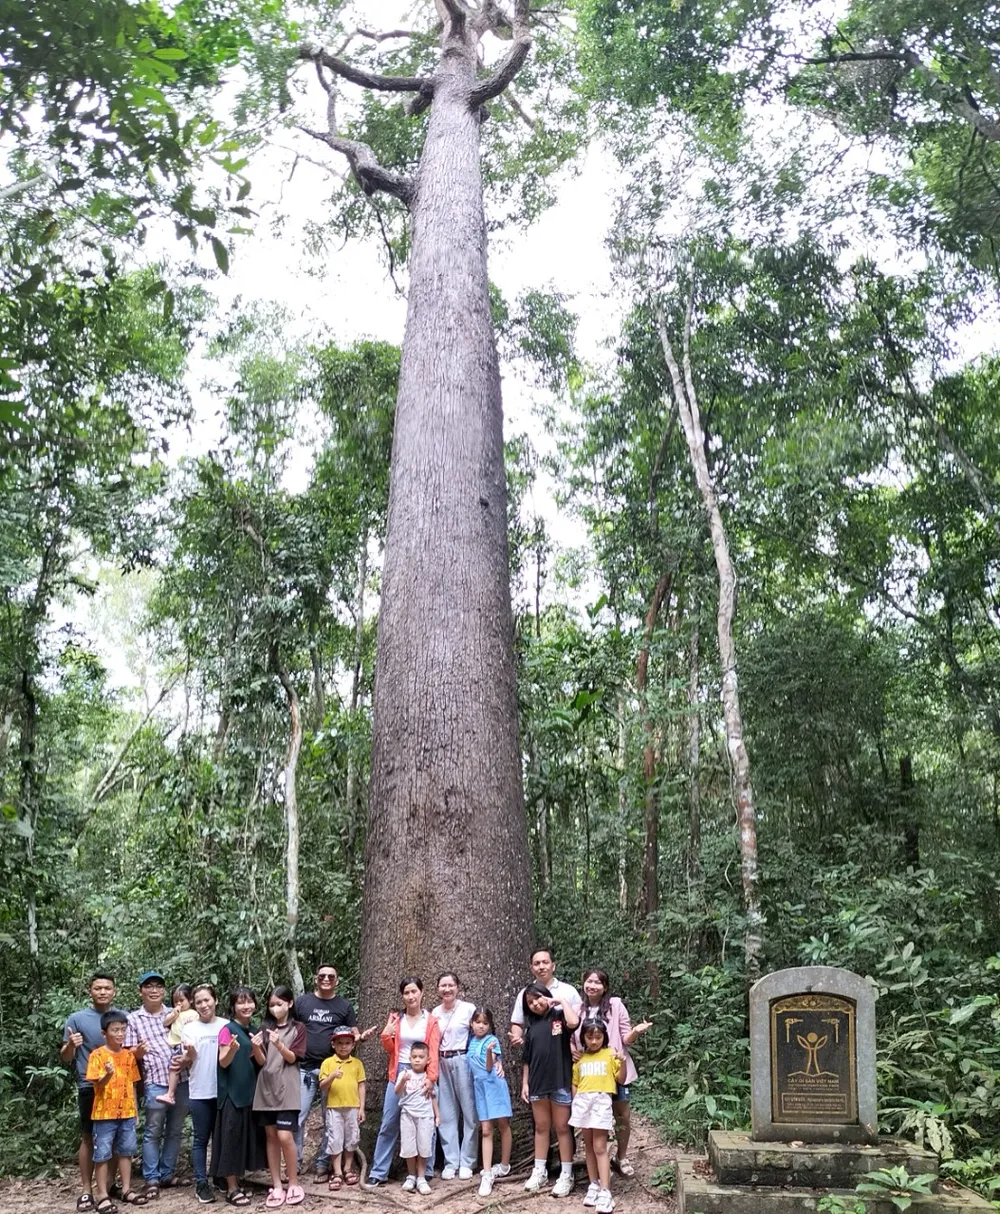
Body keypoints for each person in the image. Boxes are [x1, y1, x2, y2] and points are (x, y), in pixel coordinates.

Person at [362, 977, 441, 1190]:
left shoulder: (431, 1020)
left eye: (414, 991)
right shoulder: (396, 1018)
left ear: (422, 993)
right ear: (402, 996)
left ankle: (426, 1171)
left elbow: (433, 1050)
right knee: (389, 1122)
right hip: (399, 1071)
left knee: (426, 1122)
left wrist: (431, 1078)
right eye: (406, 993)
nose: (411, 996)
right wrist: (386, 1034)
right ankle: (379, 1172)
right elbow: (390, 1048)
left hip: (423, 1070)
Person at [292, 964, 370, 1179]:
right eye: (322, 975)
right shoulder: (303, 1002)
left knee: (332, 1120)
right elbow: (291, 1028)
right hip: (305, 1069)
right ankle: (294, 1163)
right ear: (316, 978)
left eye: (331, 976)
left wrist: (361, 1037)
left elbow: (353, 1032)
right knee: (299, 1117)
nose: (326, 979)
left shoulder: (343, 1006)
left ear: (337, 980)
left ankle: (323, 1164)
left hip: (334, 1069)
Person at [576, 968, 652, 1177]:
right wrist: (573, 1052)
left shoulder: (615, 1005)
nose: (592, 985)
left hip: (615, 1067)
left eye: (597, 982)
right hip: (591, 1072)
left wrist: (635, 1032)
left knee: (622, 1115)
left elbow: (625, 1037)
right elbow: (572, 1038)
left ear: (605, 987)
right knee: (592, 1117)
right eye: (589, 981)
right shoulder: (577, 1010)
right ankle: (596, 1160)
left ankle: (621, 1156)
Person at [125, 971, 192, 1199]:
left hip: (182, 1080)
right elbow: (127, 1055)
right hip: (155, 1081)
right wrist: (138, 1052)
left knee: (174, 1130)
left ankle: (166, 1174)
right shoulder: (134, 1019)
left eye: (158, 986)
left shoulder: (176, 1011)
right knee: (153, 1131)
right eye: (149, 986)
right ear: (140, 990)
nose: (154, 990)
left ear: (164, 990)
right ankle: (151, 1178)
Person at [61, 971, 123, 1212]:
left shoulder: (120, 1017)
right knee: (89, 1137)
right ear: (90, 991)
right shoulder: (76, 1019)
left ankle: (108, 1185)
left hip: (119, 1087)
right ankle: (87, 1191)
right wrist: (70, 1045)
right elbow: (66, 1057)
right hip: (91, 1086)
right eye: (98, 988)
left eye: (107, 988)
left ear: (114, 991)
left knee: (117, 1137)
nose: (103, 992)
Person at [520, 982, 580, 1198]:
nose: (535, 1003)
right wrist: (525, 1083)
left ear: (547, 996)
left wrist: (560, 1001)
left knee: (562, 1128)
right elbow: (526, 1058)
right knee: (541, 1127)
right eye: (530, 1002)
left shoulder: (559, 1016)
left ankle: (566, 1174)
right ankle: (539, 1171)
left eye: (538, 998)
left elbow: (574, 1022)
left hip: (560, 1080)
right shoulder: (531, 1026)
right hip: (537, 1082)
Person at [251, 986, 307, 1208]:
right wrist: (256, 1047)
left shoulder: (298, 1028)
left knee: (285, 1137)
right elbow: (261, 1062)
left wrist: (279, 1044)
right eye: (272, 1005)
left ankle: (293, 1182)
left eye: (279, 1004)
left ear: (290, 1004)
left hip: (288, 1091)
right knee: (271, 1137)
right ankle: (276, 1185)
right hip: (265, 1091)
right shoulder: (264, 1029)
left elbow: (294, 1058)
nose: (275, 1008)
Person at [85, 1010, 146, 1212]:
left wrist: (136, 1111)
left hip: (127, 1113)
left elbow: (132, 1085)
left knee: (126, 1152)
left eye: (123, 1030)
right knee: (102, 1154)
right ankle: (102, 1194)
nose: (120, 1034)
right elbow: (98, 1086)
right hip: (104, 1114)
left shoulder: (129, 1056)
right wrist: (108, 1075)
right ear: (105, 1033)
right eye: (115, 1030)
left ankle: (127, 1189)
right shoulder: (97, 1055)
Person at [211, 987, 266, 1207]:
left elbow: (261, 1062)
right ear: (233, 1006)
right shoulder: (228, 1029)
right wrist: (232, 1049)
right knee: (231, 1139)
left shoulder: (253, 1029)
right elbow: (223, 1061)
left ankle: (240, 1181)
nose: (246, 1006)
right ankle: (231, 1188)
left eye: (250, 1002)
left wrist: (256, 1046)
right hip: (231, 1094)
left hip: (249, 1093)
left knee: (244, 1138)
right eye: (241, 1002)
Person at [179, 985, 228, 1205]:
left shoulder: (226, 1025)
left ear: (215, 1001)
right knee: (201, 1139)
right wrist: (189, 1053)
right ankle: (201, 1182)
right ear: (194, 1004)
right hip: (199, 1091)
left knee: (221, 1137)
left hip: (224, 1091)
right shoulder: (190, 1029)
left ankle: (219, 1175)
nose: (203, 1005)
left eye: (207, 1000)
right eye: (198, 1002)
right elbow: (187, 1061)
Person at [430, 972, 477, 1180]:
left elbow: (478, 1035)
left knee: (469, 1112)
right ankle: (451, 1161)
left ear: (458, 987)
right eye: (443, 986)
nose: (447, 989)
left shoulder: (468, 1009)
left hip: (463, 1059)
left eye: (450, 985)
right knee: (447, 1113)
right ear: (438, 989)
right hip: (441, 1061)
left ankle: (468, 1161)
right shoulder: (434, 1012)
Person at [571, 1018, 621, 1213]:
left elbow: (621, 1078)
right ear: (583, 1037)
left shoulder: (610, 1055)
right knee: (588, 1146)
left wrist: (622, 1062)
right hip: (583, 1102)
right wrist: (576, 1101)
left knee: (600, 1147)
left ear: (604, 1037)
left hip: (601, 1102)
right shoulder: (580, 1059)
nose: (594, 1041)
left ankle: (606, 1191)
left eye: (598, 1037)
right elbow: (575, 1081)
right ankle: (593, 1184)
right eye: (589, 1037)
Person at [466, 1008, 512, 1198]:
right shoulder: (471, 1041)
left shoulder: (492, 1041)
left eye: (485, 1023)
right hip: (479, 1088)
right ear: (472, 1024)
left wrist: (489, 1053)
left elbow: (489, 1066)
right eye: (478, 1022)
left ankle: (504, 1165)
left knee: (502, 1124)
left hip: (493, 1085)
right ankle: (486, 1171)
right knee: (485, 1129)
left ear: (490, 1026)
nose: (481, 1026)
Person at [318, 1026, 366, 1191]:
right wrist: (331, 1076)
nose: (343, 1046)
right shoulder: (328, 1063)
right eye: (340, 1043)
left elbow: (361, 1086)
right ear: (333, 1044)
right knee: (335, 1139)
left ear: (353, 1045)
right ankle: (337, 1172)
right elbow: (322, 1086)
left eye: (347, 1043)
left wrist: (362, 1108)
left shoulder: (357, 1063)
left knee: (352, 1138)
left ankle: (348, 1168)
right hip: (334, 1108)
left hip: (352, 1107)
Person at [509, 948, 582, 1047]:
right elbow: (517, 1022)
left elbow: (580, 1019)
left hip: (566, 1050)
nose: (541, 967)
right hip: (537, 1049)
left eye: (545, 962)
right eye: (537, 963)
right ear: (532, 969)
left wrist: (575, 1045)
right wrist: (516, 1037)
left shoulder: (569, 991)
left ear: (553, 966)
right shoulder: (524, 994)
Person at [394, 1041, 440, 1195]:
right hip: (407, 1115)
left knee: (424, 1146)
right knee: (409, 1147)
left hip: (425, 1116)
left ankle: (421, 1178)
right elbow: (396, 1092)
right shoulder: (405, 1074)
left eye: (421, 1057)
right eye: (414, 1057)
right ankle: (411, 1176)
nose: (417, 1060)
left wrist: (437, 1115)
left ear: (428, 1059)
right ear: (410, 1058)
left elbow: (433, 1097)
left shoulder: (429, 1077)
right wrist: (403, 1080)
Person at [155, 984, 197, 1106]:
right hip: (175, 1045)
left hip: (185, 1044)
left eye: (182, 1001)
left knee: (180, 1067)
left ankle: (172, 1094)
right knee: (174, 1068)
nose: (179, 1004)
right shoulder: (173, 1013)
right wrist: (174, 1014)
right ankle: (170, 1094)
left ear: (190, 1000)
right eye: (175, 1001)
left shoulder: (193, 1013)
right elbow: (165, 1022)